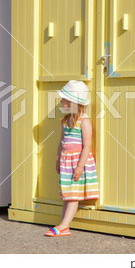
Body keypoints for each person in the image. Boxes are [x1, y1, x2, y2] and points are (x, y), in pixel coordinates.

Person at [44, 80, 99, 237]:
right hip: (66, 162)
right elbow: (62, 142)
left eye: (64, 99)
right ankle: (64, 225)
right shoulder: (65, 121)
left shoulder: (84, 121)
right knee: (68, 194)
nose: (61, 102)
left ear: (73, 102)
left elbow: (87, 146)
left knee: (73, 195)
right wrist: (57, 160)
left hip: (77, 162)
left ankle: (63, 225)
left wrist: (80, 166)